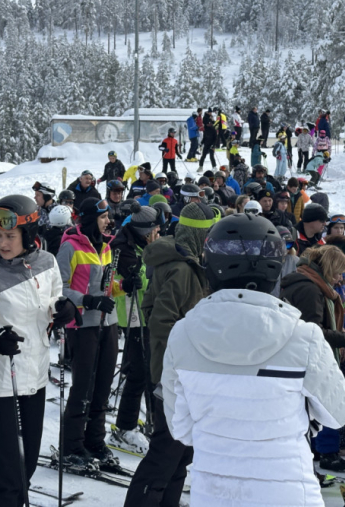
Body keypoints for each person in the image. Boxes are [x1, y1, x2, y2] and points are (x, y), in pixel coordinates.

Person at [162, 214, 345, 507]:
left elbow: (181, 429)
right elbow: (340, 412)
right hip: (289, 493)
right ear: (275, 269)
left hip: (214, 493)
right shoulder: (304, 337)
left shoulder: (182, 334)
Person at [0, 194, 71, 506]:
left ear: (30, 234)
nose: (2, 242)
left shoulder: (47, 262)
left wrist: (61, 309)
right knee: (5, 474)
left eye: (10, 235)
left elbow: (51, 301)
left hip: (34, 378)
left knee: (26, 468)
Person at [124, 202, 218, 507]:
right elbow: (162, 321)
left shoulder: (190, 263)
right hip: (175, 376)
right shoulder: (181, 269)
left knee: (182, 452)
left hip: (188, 371)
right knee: (167, 451)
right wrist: (167, 375)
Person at [56, 197, 132, 467]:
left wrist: (126, 285)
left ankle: (94, 441)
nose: (107, 221)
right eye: (102, 217)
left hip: (107, 323)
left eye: (107, 217)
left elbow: (108, 286)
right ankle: (71, 445)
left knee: (102, 387)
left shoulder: (107, 246)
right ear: (89, 219)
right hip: (83, 326)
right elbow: (58, 288)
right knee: (83, 387)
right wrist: (87, 300)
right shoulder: (70, 247)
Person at [280, 245, 345, 472]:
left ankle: (311, 459)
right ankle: (315, 460)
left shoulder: (310, 283)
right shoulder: (311, 289)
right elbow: (312, 332)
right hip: (307, 360)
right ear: (329, 268)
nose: (340, 277)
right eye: (338, 271)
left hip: (299, 359)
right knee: (316, 409)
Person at [108, 203, 160, 454]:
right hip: (131, 314)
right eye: (154, 229)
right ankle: (124, 427)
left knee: (145, 369)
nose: (158, 232)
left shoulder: (137, 243)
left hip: (144, 314)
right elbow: (137, 279)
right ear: (144, 230)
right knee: (139, 371)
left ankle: (128, 420)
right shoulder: (123, 247)